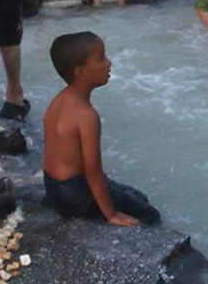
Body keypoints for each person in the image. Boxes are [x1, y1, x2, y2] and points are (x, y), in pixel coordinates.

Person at [42, 31, 160, 227]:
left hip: (54, 189)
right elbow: (93, 172)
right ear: (80, 72)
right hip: (75, 196)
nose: (109, 63)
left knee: (137, 196)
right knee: (150, 215)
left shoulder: (59, 100)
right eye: (101, 58)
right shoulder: (86, 116)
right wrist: (111, 215)